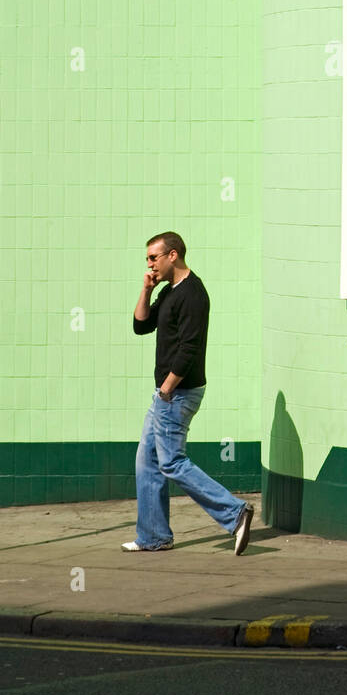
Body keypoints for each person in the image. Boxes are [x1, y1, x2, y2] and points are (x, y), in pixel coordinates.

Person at [121, 231, 253, 552]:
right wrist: (146, 290)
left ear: (173, 255)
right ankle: (153, 536)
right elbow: (141, 325)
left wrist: (167, 388)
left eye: (153, 257)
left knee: (171, 462)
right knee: (148, 460)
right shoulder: (168, 291)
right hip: (166, 393)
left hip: (178, 392)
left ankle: (235, 512)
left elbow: (189, 348)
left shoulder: (193, 294)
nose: (149, 264)